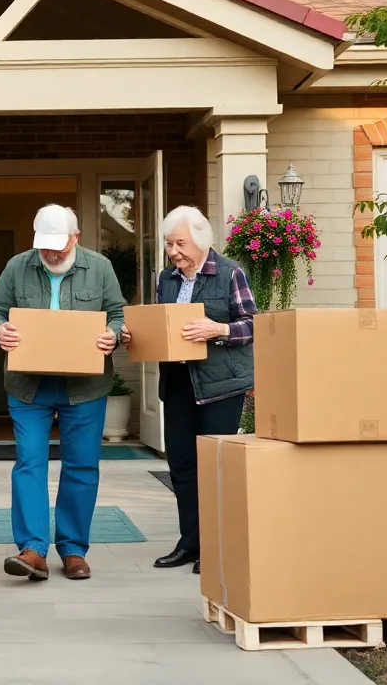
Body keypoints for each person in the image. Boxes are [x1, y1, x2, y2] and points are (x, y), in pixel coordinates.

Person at [0, 204, 125, 582]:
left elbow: (118, 314)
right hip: (29, 386)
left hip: (86, 386)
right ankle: (33, 549)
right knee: (29, 463)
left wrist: (114, 333)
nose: (52, 254)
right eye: (45, 246)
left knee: (81, 465)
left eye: (59, 246)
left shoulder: (100, 268)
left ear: (75, 238)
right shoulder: (17, 266)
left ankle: (74, 550)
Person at [122, 205, 256, 576]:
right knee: (181, 465)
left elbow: (253, 325)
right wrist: (138, 335)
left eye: (180, 243)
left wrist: (218, 330)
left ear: (201, 240)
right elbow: (163, 325)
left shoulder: (230, 273)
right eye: (169, 244)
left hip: (219, 386)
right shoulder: (166, 278)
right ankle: (189, 543)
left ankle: (214, 547)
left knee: (214, 467)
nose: (174, 252)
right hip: (178, 383)